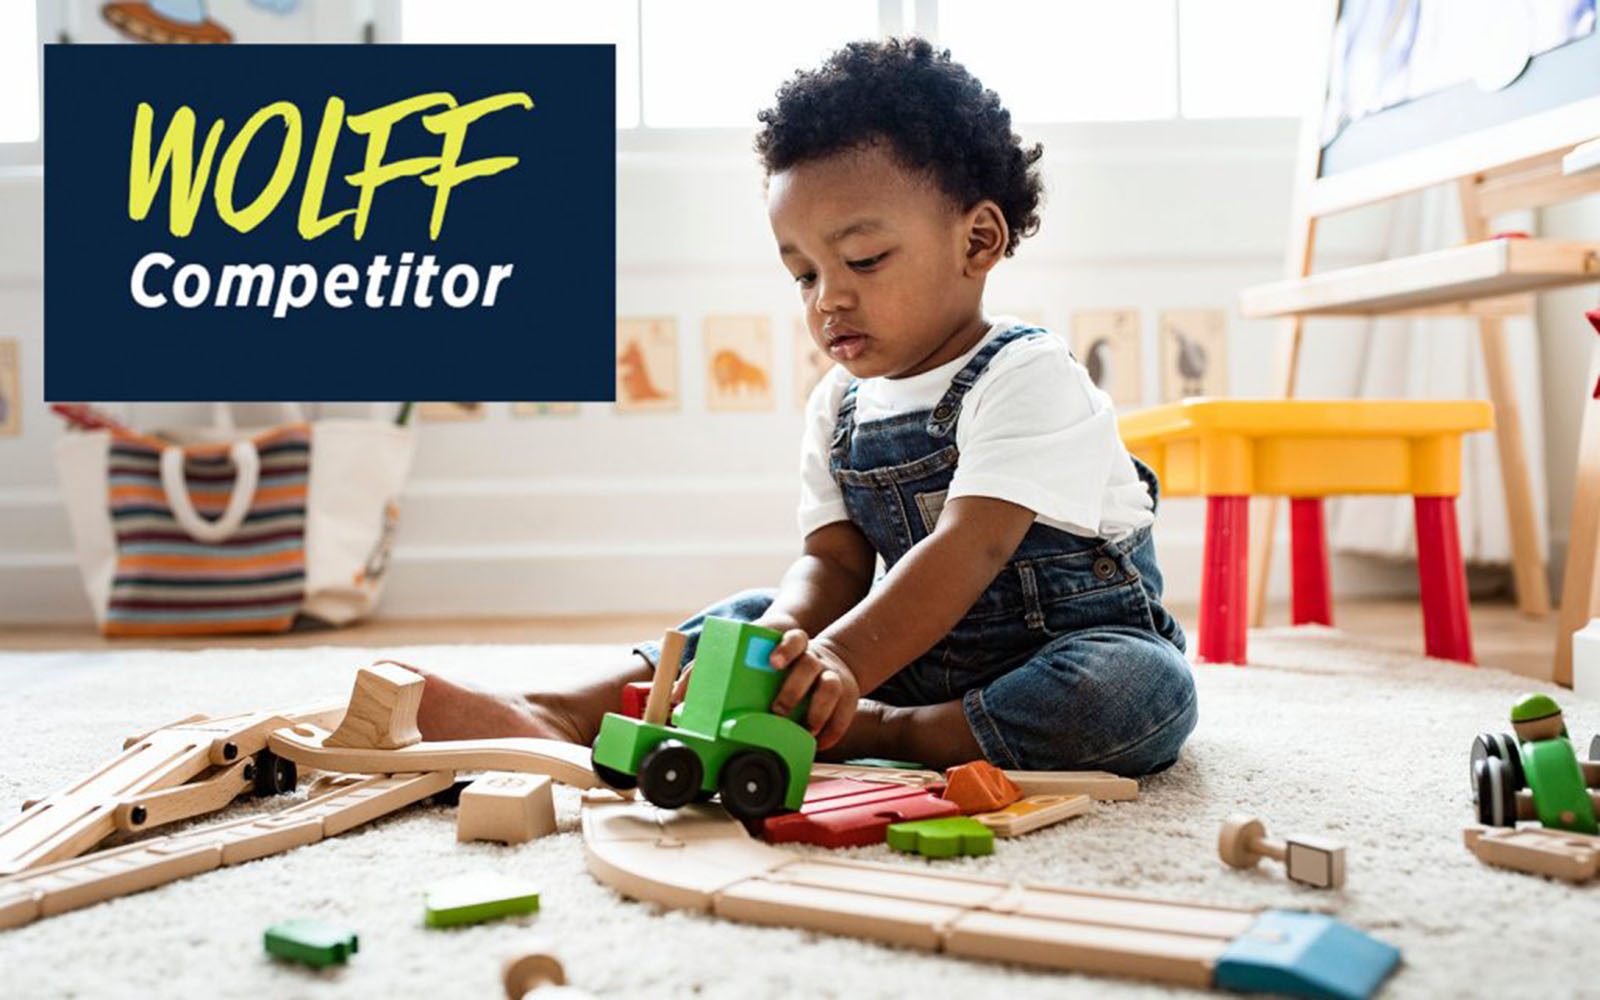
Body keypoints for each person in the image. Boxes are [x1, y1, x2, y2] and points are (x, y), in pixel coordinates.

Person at [413, 37, 1197, 775]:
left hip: (1058, 648)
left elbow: (971, 550)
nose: (830, 298)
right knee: (750, 616)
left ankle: (890, 733)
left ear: (978, 241)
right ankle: (563, 712)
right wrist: (780, 642)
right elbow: (834, 564)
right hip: (906, 653)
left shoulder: (1027, 374)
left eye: (863, 259)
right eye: (803, 274)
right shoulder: (839, 404)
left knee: (1132, 691)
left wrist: (845, 663)